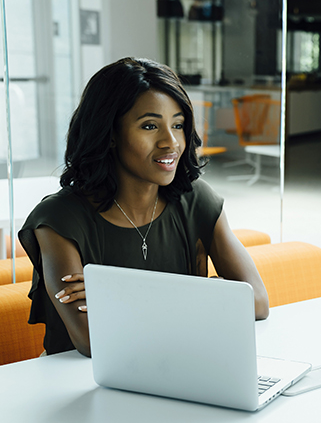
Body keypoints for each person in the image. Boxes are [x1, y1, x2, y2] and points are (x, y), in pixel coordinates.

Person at [19, 57, 269, 358]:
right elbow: (92, 340)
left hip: (172, 367)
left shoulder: (195, 200)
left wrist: (117, 294)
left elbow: (256, 302)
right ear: (109, 133)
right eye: (150, 126)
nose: (171, 142)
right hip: (80, 387)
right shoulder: (60, 218)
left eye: (178, 125)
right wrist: (206, 296)